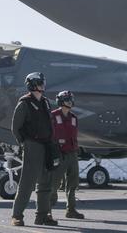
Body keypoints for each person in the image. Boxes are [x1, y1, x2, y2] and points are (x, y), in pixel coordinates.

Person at [10, 72, 57, 227]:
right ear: (32, 85)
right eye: (40, 83)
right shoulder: (24, 103)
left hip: (46, 145)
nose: (43, 85)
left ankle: (42, 216)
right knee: (27, 183)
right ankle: (17, 215)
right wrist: (25, 143)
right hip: (33, 146)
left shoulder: (45, 102)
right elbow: (15, 127)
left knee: (45, 183)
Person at [49, 91, 84, 219]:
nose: (70, 101)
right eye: (67, 99)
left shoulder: (74, 117)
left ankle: (71, 209)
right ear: (60, 101)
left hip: (72, 154)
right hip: (59, 154)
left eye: (71, 99)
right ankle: (47, 211)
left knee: (73, 183)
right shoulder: (53, 116)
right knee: (54, 184)